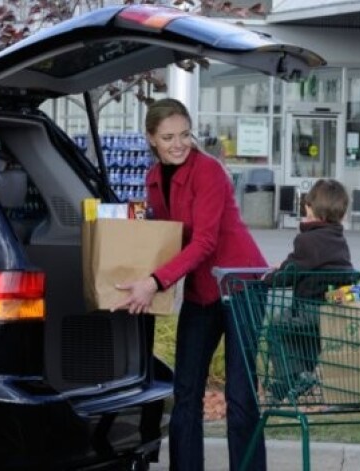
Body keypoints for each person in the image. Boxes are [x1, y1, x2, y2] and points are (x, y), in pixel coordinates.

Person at [112, 98, 267, 471]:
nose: (178, 143)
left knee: (241, 397)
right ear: (152, 139)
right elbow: (167, 239)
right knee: (185, 393)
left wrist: (154, 281)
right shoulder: (152, 179)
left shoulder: (209, 171)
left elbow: (205, 242)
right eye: (168, 137)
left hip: (240, 286)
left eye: (184, 134)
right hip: (202, 290)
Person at [263, 179, 353, 400]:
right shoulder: (338, 239)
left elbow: (291, 272)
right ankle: (304, 375)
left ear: (311, 209)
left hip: (309, 309)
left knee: (276, 327)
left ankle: (291, 378)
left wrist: (269, 278)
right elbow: (306, 264)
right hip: (332, 309)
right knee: (304, 338)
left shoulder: (307, 240)